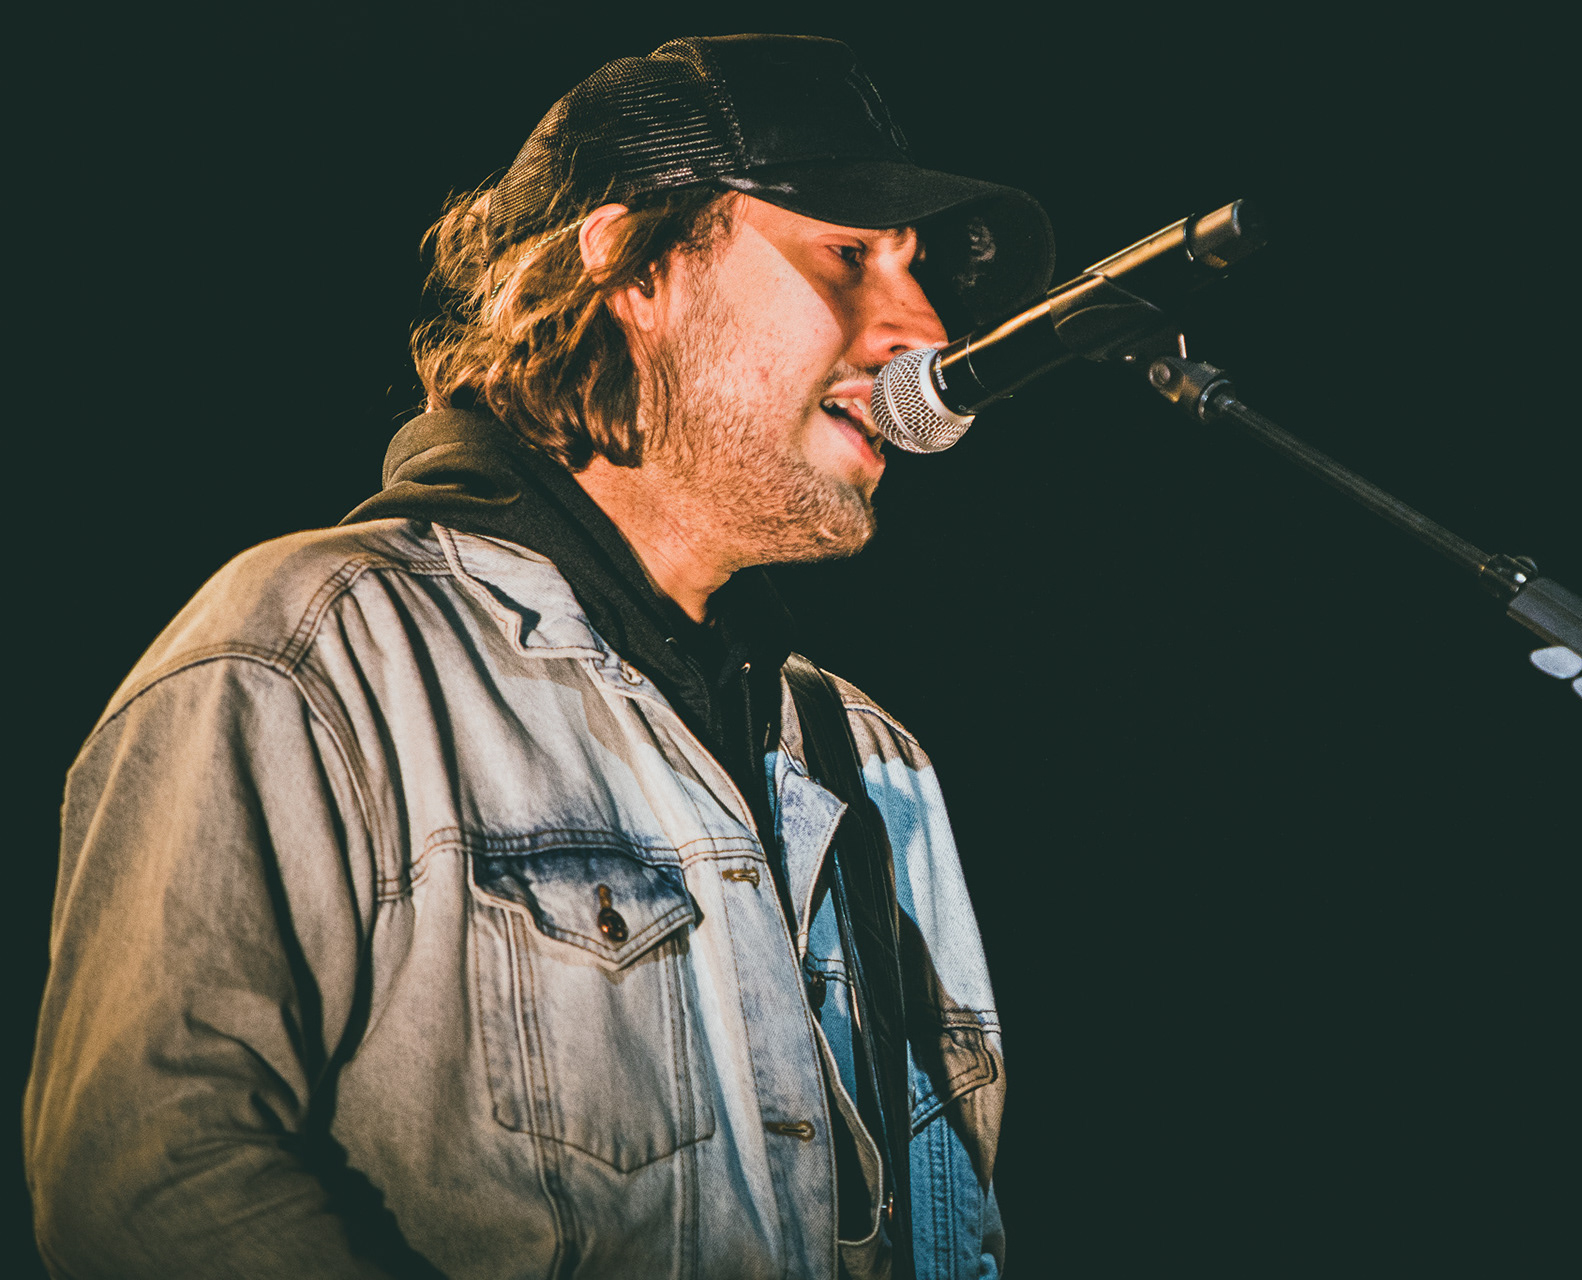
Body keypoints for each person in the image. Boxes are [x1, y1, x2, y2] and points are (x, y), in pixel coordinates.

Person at [25, 35, 1052, 1279]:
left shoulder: (876, 763)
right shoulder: (312, 655)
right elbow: (152, 1181)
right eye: (848, 253)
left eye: (917, 268)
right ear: (631, 267)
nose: (924, 327)